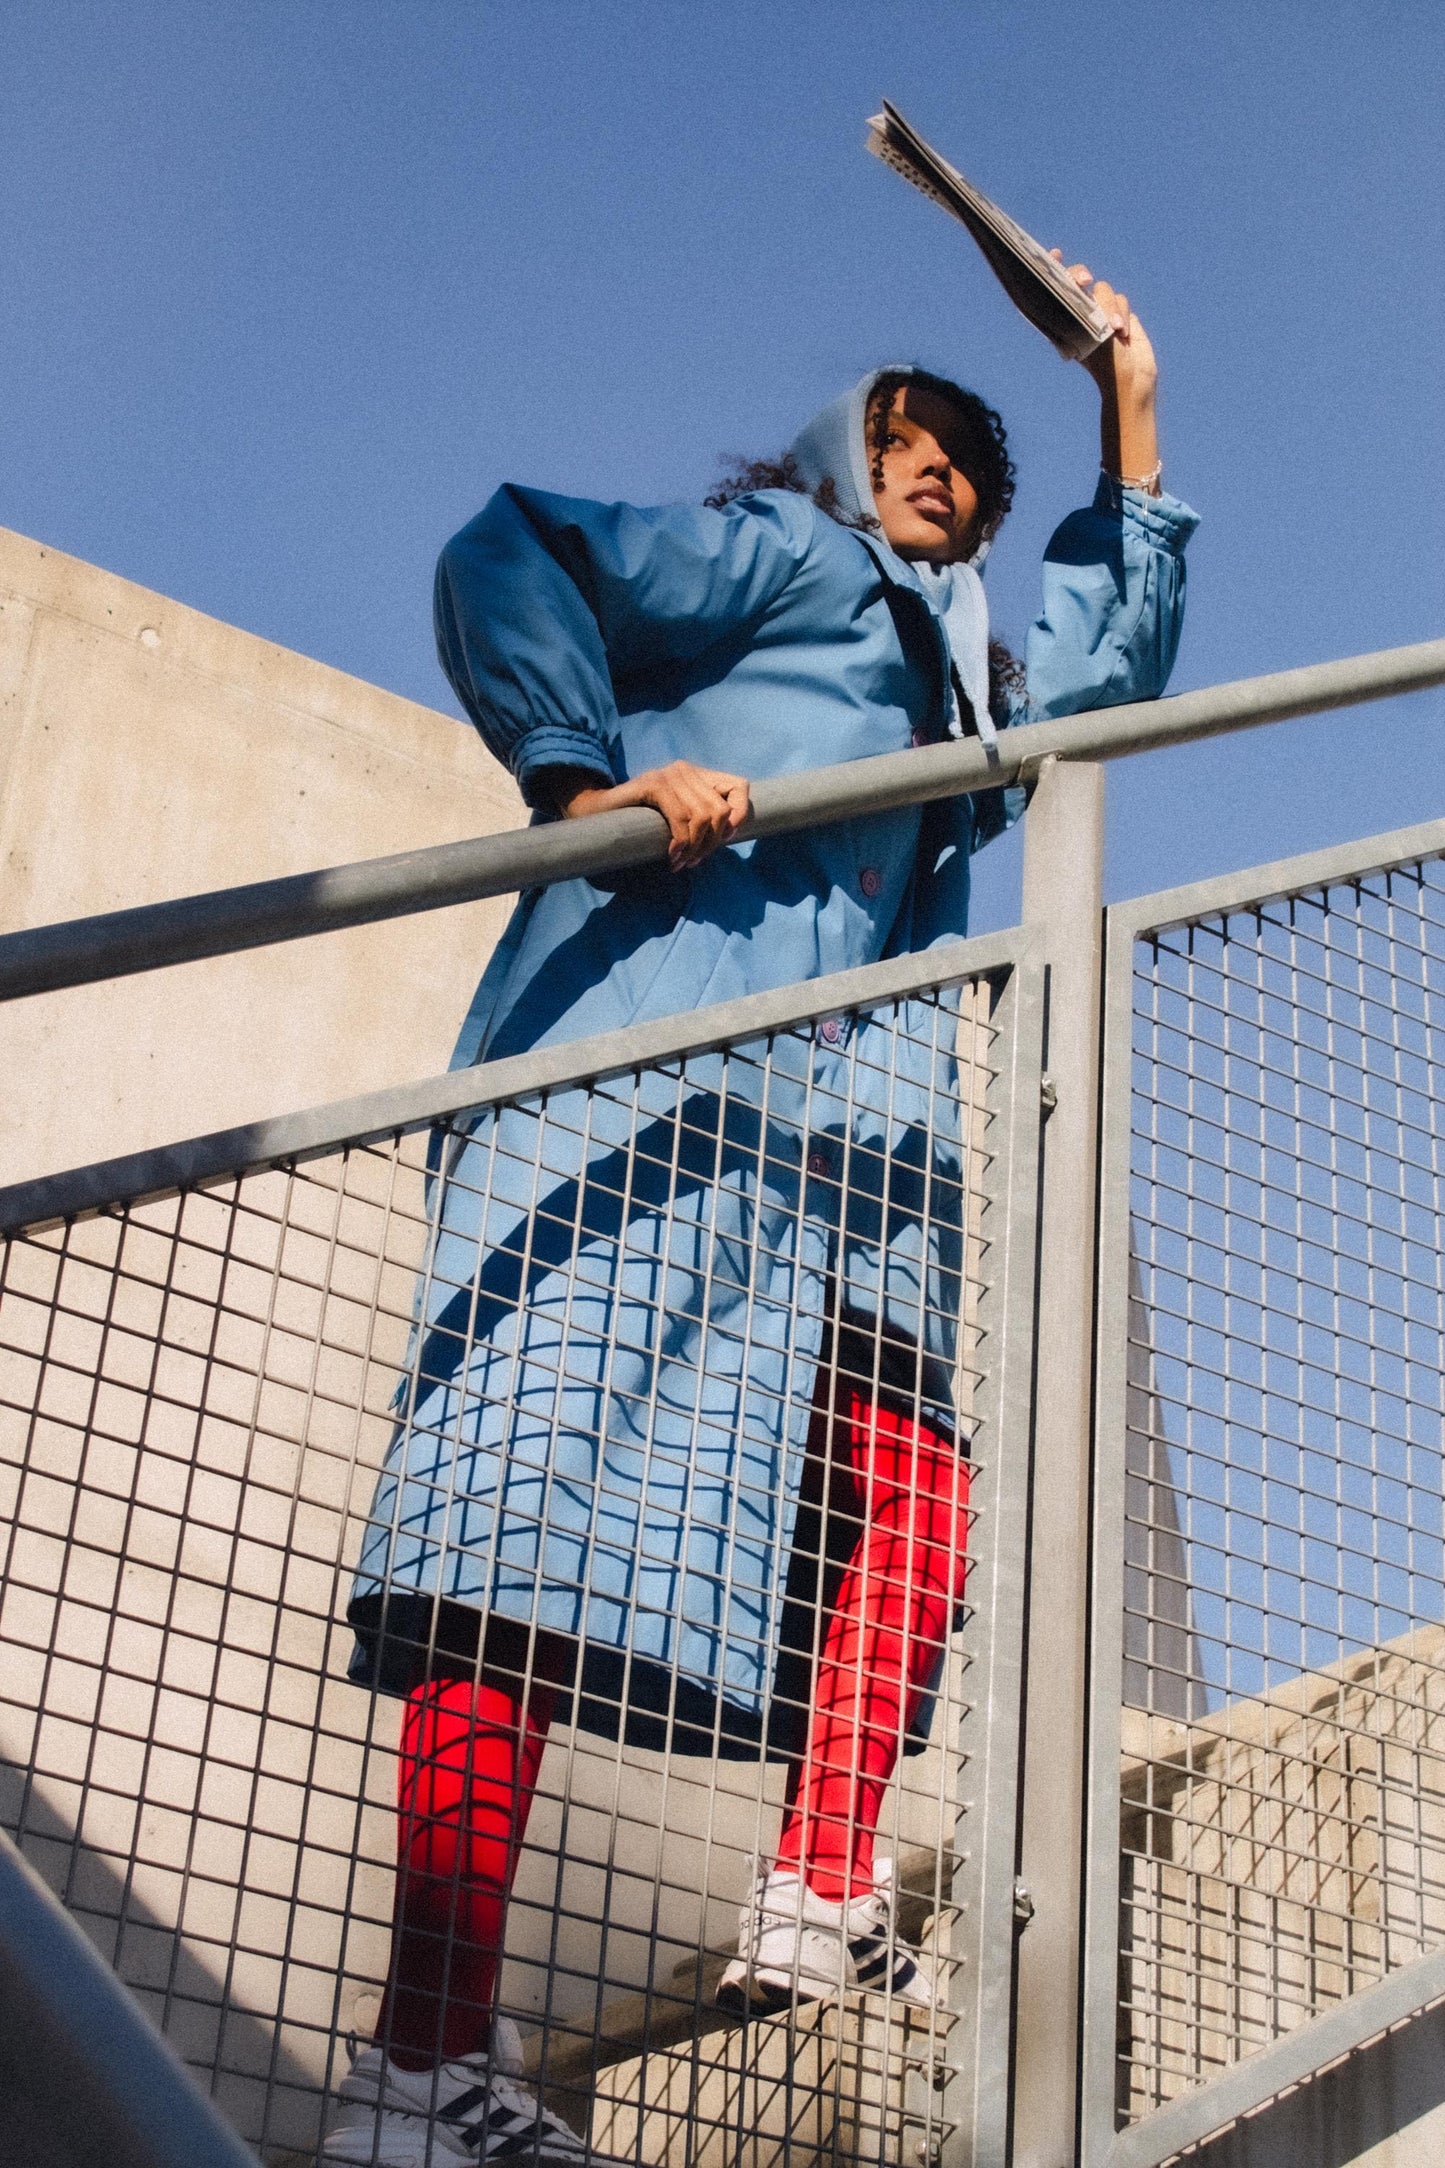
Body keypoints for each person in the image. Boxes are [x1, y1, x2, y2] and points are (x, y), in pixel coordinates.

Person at [323, 265, 1197, 2166]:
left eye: (968, 468)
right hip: (643, 1071)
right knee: (517, 1536)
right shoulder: (781, 568)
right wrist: (580, 773)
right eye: (907, 450)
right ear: (842, 460)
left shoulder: (961, 688)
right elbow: (519, 549)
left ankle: (810, 1881)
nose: (940, 482)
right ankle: (419, 2065)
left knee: (902, 1489)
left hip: (828, 1138)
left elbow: (1106, 682)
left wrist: (1129, 397)